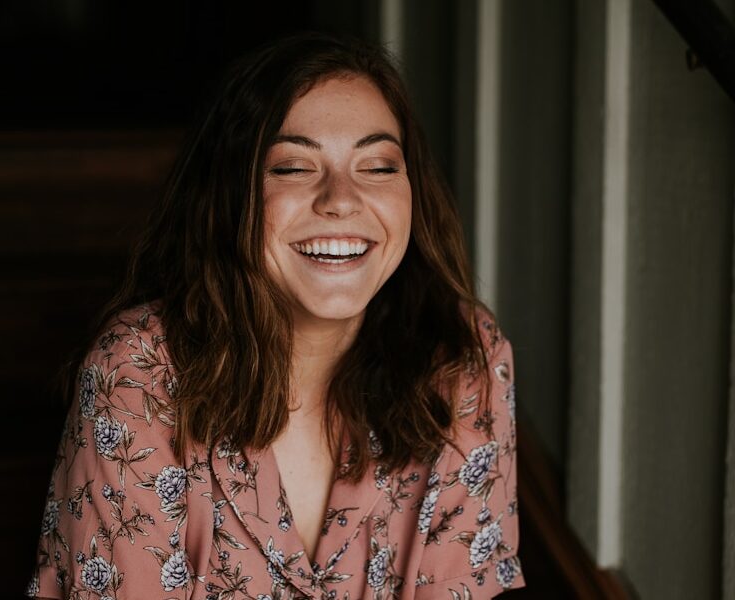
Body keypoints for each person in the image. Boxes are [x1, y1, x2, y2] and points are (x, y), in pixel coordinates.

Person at [27, 32, 524, 600]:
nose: (341, 199)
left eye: (379, 166)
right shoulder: (139, 372)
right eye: (292, 167)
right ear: (230, 195)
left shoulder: (462, 358)